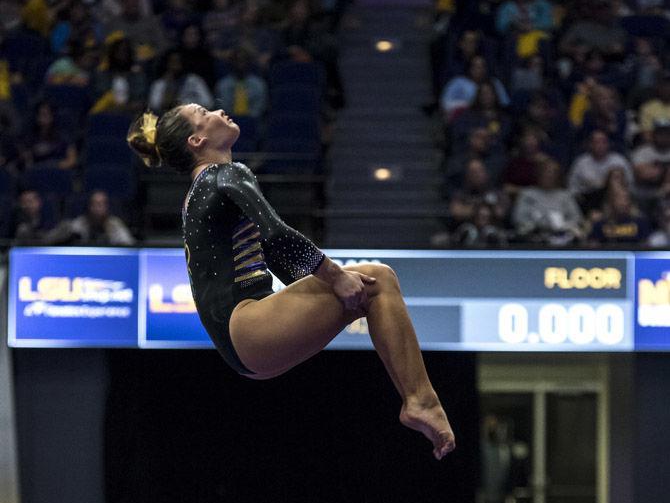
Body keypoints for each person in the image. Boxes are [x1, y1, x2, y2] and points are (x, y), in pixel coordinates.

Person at [127, 106, 455, 460]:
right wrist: (334, 276)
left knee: (366, 291)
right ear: (197, 140)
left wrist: (335, 294)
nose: (219, 110)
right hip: (249, 325)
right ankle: (420, 401)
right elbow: (278, 233)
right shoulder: (224, 174)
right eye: (204, 112)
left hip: (243, 344)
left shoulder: (202, 189)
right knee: (380, 280)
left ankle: (417, 400)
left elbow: (271, 251)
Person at [48, 190, 135, 246]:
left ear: (107, 207)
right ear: (89, 206)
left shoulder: (114, 224)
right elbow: (49, 240)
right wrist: (65, 230)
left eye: (101, 204)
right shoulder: (80, 223)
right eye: (95, 204)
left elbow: (129, 244)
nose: (98, 208)